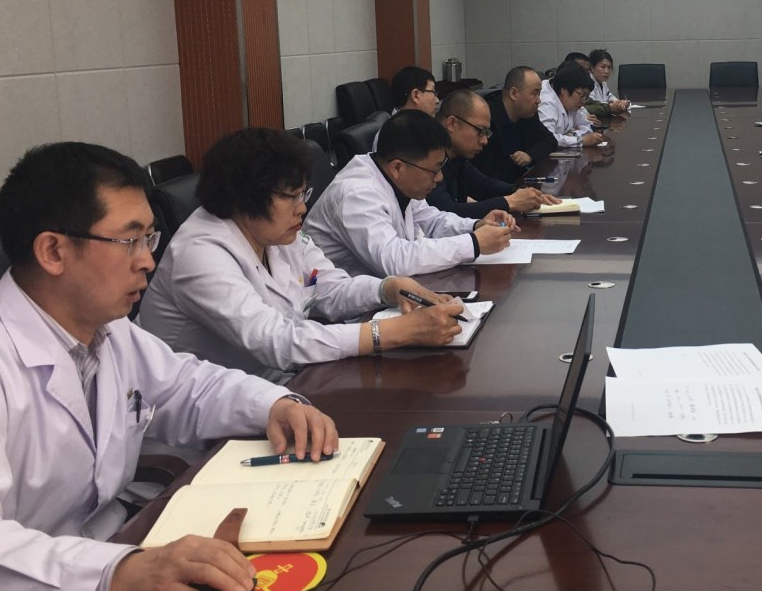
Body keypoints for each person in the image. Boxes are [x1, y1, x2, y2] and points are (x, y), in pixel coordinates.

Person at [0, 142, 338, 591]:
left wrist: (275, 403)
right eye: (130, 242)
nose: (148, 262)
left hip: (125, 557)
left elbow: (187, 386)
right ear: (53, 251)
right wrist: (119, 572)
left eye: (149, 239)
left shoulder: (110, 329)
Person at [138, 128, 464, 381]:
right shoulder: (200, 254)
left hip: (281, 384)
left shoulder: (277, 234)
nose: (302, 208)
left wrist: (387, 288)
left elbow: (327, 287)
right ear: (246, 196)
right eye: (292, 196)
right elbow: (276, 341)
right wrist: (395, 332)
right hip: (204, 420)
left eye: (302, 194)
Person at [305, 111, 517, 277]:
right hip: (337, 308)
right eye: (433, 170)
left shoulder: (395, 178)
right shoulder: (357, 194)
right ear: (398, 168)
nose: (439, 178)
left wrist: (475, 226)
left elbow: (431, 221)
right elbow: (394, 261)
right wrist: (473, 243)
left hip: (380, 293)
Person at [427, 90, 563, 219]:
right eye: (480, 131)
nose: (485, 141)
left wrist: (522, 192)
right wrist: (510, 202)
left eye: (486, 133)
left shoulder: (457, 158)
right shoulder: (426, 157)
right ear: (452, 124)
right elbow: (446, 212)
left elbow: (483, 185)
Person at [473, 66, 559, 182]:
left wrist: (530, 155)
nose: (539, 100)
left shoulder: (527, 115)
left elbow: (550, 141)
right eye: (535, 93)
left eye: (539, 94)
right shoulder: (487, 118)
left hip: (517, 184)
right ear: (514, 93)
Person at [539, 62, 604, 149]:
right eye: (582, 95)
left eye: (586, 97)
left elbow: (588, 126)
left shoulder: (570, 101)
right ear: (564, 90)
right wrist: (580, 140)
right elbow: (548, 139)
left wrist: (572, 135)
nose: (583, 101)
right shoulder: (546, 103)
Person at [588, 49, 631, 116]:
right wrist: (610, 106)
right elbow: (592, 105)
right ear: (592, 68)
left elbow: (609, 96)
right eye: (602, 67)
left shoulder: (603, 83)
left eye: (609, 67)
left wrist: (620, 103)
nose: (606, 71)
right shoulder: (587, 83)